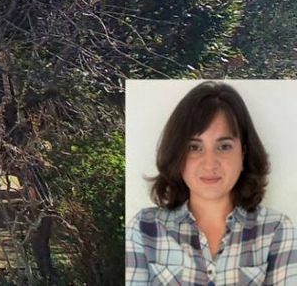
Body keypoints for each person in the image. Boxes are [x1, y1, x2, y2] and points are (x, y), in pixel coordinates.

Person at [126, 81, 296, 285]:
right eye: (194, 147)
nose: (209, 163)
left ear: (243, 153)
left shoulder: (275, 229)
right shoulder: (145, 229)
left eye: (224, 146)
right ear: (177, 155)